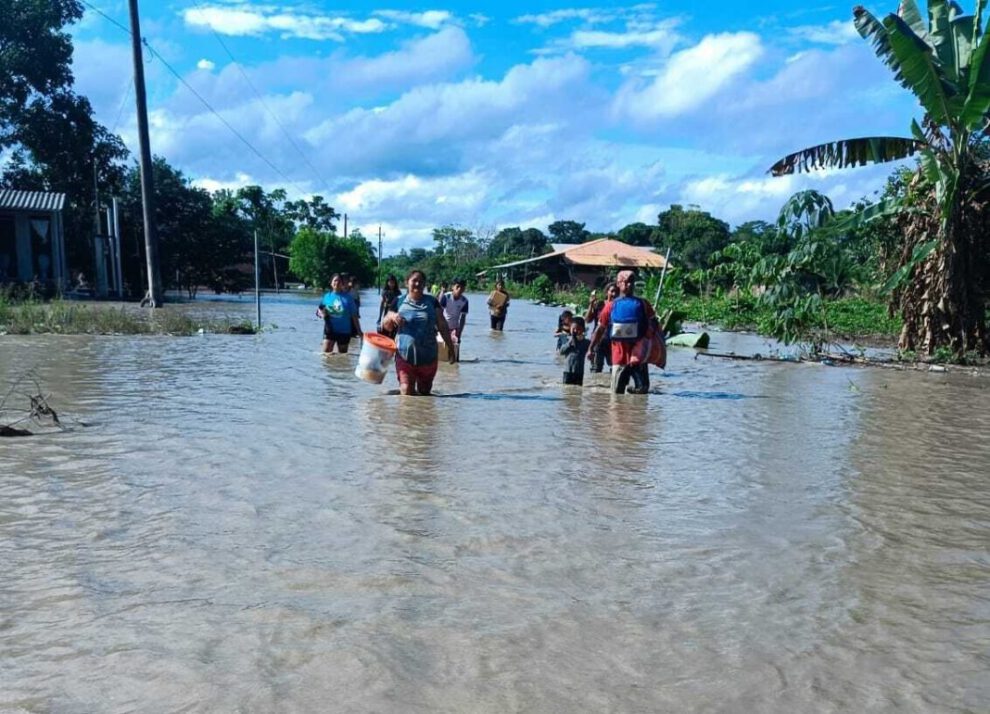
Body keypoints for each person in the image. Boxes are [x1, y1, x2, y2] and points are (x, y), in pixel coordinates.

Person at [381, 270, 456, 395]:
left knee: (424, 393)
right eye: (414, 280)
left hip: (428, 357)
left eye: (421, 281)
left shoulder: (432, 302)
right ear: (407, 283)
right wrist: (393, 317)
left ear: (424, 284)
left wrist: (451, 348)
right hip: (404, 356)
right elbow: (386, 326)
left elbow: (442, 325)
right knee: (406, 391)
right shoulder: (398, 301)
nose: (417, 284)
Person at [588, 270, 658, 394]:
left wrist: (650, 342)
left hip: (638, 355)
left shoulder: (643, 304)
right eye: (625, 282)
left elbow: (654, 323)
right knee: (617, 392)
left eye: (631, 282)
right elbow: (600, 328)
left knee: (643, 390)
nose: (628, 285)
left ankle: (633, 403)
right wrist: (591, 348)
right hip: (619, 355)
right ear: (618, 284)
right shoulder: (610, 306)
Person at [317, 273, 362, 354]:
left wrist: (359, 332)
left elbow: (354, 316)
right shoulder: (327, 296)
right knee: (325, 354)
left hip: (344, 331)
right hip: (329, 329)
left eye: (339, 281)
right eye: (335, 280)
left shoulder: (348, 298)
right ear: (331, 283)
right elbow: (319, 311)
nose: (337, 282)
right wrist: (322, 314)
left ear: (342, 284)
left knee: (342, 357)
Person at [586, 282, 618, 373]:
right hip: (598, 341)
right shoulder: (599, 305)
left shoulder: (619, 306)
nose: (614, 294)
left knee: (615, 369)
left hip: (613, 342)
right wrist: (591, 305)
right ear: (607, 292)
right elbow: (588, 320)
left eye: (616, 292)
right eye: (612, 291)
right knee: (596, 369)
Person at [439, 278, 469, 362]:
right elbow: (439, 314)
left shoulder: (464, 301)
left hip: (455, 328)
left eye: (462, 288)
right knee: (442, 349)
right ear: (453, 287)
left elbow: (462, 318)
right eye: (457, 287)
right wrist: (438, 327)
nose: (459, 289)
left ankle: (456, 361)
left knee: (456, 347)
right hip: (444, 326)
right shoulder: (446, 297)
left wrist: (459, 332)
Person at [558, 316, 590, 386]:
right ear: (570, 328)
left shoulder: (586, 342)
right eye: (573, 329)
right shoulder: (566, 339)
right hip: (567, 371)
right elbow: (561, 352)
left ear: (583, 330)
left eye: (578, 329)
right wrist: (569, 343)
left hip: (579, 372)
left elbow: (591, 351)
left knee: (578, 389)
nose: (575, 331)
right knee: (567, 389)